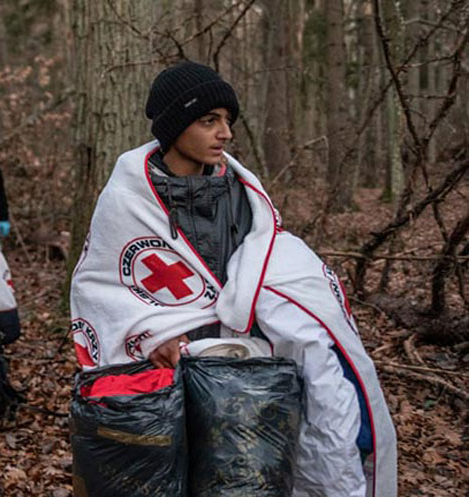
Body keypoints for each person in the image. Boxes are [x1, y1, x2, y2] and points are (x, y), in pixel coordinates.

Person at [70, 61, 396, 496]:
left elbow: (265, 261)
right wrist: (150, 335)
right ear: (174, 126)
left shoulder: (242, 194)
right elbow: (102, 286)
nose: (224, 133)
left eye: (227, 121)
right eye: (209, 121)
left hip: (241, 375)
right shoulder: (126, 199)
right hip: (162, 378)